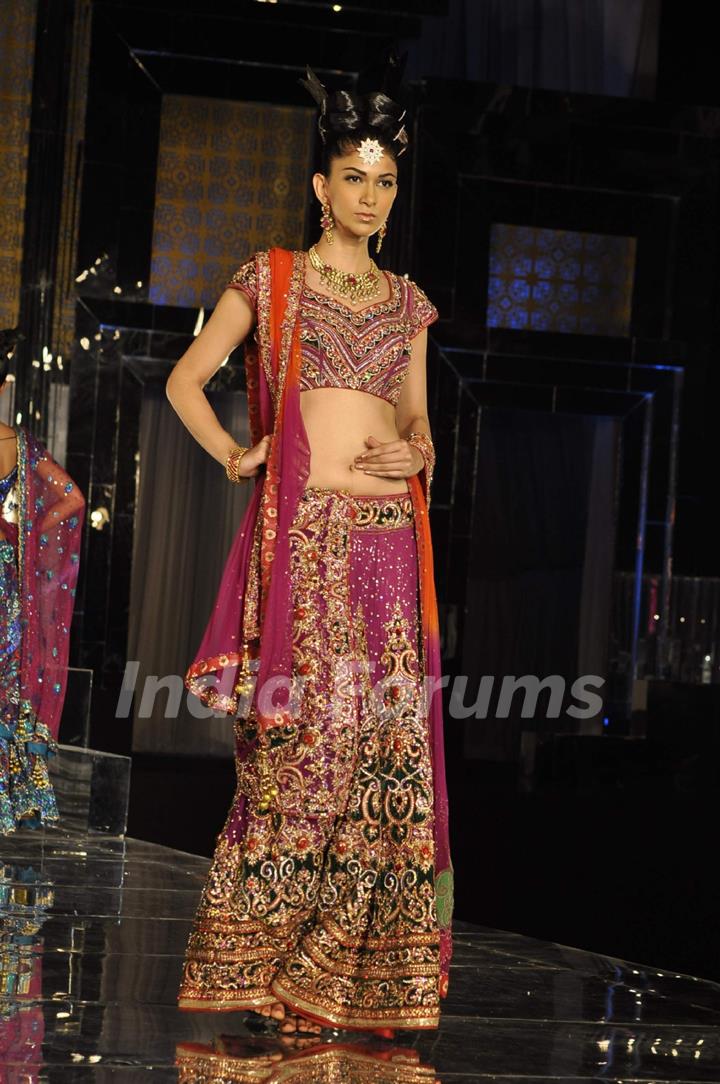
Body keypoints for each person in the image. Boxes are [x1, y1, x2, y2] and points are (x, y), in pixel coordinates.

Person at [167, 57, 453, 1038]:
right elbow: (186, 380)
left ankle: (328, 986)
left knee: (379, 769)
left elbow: (418, 426)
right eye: (355, 180)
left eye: (386, 182)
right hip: (306, 559)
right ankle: (260, 968)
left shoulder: (408, 304)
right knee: (297, 763)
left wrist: (416, 447)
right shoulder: (270, 278)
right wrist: (234, 454)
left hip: (383, 559)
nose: (371, 198)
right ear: (321, 186)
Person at [0, 353, 86, 835]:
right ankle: (13, 799)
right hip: (8, 577)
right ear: (4, 385)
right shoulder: (21, 445)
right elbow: (72, 496)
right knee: (6, 682)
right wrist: (28, 535)